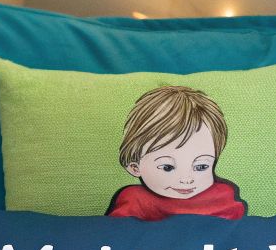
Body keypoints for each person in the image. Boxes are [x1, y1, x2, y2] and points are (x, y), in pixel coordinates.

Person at [105, 85, 247, 220]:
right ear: (135, 167)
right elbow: (120, 236)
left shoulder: (222, 196)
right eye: (168, 167)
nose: (186, 179)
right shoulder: (136, 201)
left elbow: (236, 233)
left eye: (201, 166)